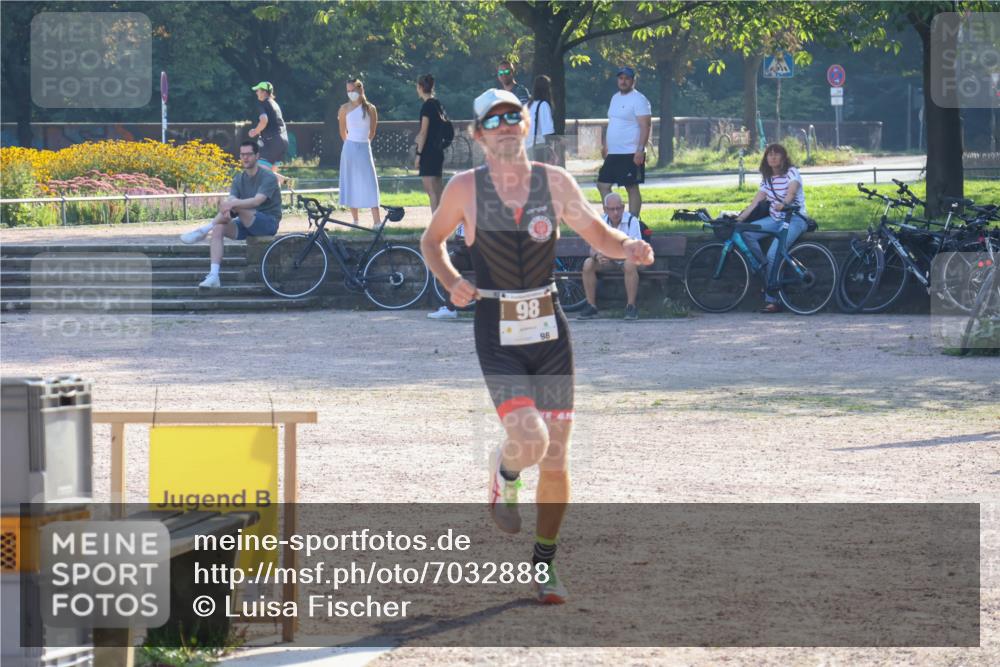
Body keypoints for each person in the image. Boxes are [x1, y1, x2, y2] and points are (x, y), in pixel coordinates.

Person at [420, 89, 654, 604]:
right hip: (496, 326)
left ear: (526, 125)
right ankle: (505, 472)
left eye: (513, 116)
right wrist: (452, 280)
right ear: (477, 135)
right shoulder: (464, 188)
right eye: (493, 120)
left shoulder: (555, 182)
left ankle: (544, 565)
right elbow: (430, 242)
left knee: (556, 455)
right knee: (531, 439)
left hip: (550, 328)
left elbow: (599, 235)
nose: (505, 125)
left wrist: (629, 246)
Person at [180, 141, 281, 288]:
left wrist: (232, 205)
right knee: (219, 228)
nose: (245, 158)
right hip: (246, 222)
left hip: (267, 223)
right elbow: (232, 199)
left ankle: (204, 230)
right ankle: (214, 276)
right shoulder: (238, 178)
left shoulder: (268, 176)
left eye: (249, 154)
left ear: (257, 156)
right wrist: (229, 208)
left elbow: (257, 201)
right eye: (242, 154)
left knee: (235, 206)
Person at [735, 143, 808, 313]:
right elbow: (755, 203)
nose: (773, 157)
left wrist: (784, 204)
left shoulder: (792, 172)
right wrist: (740, 218)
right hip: (775, 219)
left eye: (776, 154)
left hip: (794, 219)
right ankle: (764, 265)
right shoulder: (767, 179)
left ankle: (772, 300)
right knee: (746, 232)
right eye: (769, 154)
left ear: (783, 157)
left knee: (774, 254)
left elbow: (791, 192)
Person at [577, 192, 645, 321]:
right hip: (608, 261)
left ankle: (631, 307)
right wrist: (597, 256)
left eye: (618, 208)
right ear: (605, 209)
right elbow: (592, 248)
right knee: (588, 264)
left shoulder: (632, 221)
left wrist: (611, 255)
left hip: (629, 260)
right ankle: (591, 306)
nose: (615, 212)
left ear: (623, 207)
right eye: (611, 209)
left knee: (629, 264)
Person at [597, 66, 651, 219]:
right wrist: (606, 145)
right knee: (603, 185)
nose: (623, 81)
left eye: (627, 78)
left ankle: (633, 221)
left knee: (631, 187)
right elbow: (613, 122)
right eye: (621, 78)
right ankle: (612, 218)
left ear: (633, 81)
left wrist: (640, 149)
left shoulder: (639, 99)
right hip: (614, 152)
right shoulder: (615, 98)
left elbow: (645, 125)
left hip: (630, 152)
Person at [338, 77, 381, 227]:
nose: (351, 93)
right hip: (349, 148)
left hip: (364, 147)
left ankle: (377, 221)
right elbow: (342, 131)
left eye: (353, 90)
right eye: (348, 91)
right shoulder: (344, 108)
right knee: (351, 181)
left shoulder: (371, 109)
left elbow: (372, 131)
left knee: (370, 182)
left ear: (360, 89)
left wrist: (363, 143)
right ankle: (355, 221)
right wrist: (350, 144)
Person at [414, 73, 446, 212]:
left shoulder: (427, 106)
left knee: (432, 191)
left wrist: (418, 154)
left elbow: (423, 132)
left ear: (420, 87)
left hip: (428, 153)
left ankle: (436, 222)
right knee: (438, 190)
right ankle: (443, 220)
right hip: (438, 151)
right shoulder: (437, 104)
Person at [247, 81, 289, 186]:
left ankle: (285, 180)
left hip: (272, 142)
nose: (256, 92)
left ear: (264, 92)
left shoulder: (263, 104)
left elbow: (264, 120)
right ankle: (277, 195)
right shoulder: (275, 104)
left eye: (258, 90)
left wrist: (255, 131)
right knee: (271, 174)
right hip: (283, 141)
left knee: (259, 170)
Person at [427, 223, 469, 320]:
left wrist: (456, 250)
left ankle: (450, 309)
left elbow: (467, 245)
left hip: (474, 257)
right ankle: (449, 308)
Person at [525, 75, 556, 164]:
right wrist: (559, 141)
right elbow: (547, 131)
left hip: (527, 148)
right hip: (539, 148)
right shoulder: (543, 105)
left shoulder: (528, 105)